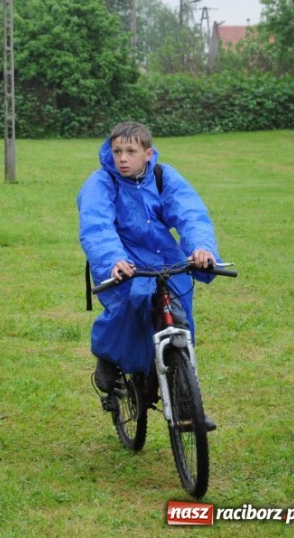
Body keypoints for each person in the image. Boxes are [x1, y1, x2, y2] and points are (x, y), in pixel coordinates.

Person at [77, 121, 220, 427]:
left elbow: (190, 214)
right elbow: (97, 226)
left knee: (178, 320)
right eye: (117, 151)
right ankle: (108, 359)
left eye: (130, 151)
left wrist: (201, 248)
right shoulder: (101, 182)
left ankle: (185, 402)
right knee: (130, 304)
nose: (122, 158)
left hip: (165, 259)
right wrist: (113, 259)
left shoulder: (163, 176)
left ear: (148, 153)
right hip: (123, 262)